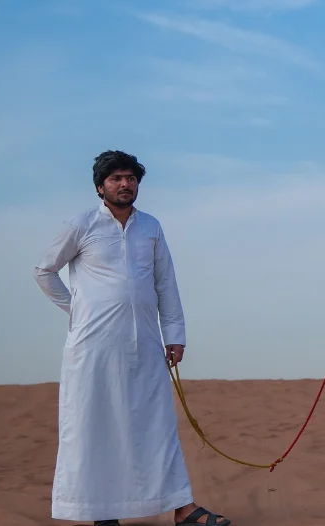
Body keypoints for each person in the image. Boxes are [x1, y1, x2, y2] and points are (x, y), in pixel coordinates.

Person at [33, 150, 232, 526]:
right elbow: (44, 271)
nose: (125, 184)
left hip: (145, 345)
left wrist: (175, 334)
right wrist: (77, 310)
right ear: (100, 187)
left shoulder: (151, 227)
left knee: (156, 425)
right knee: (95, 427)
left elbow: (165, 283)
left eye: (131, 178)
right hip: (92, 348)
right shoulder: (81, 225)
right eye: (116, 179)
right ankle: (101, 513)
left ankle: (183, 509)